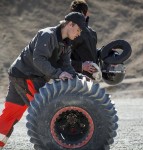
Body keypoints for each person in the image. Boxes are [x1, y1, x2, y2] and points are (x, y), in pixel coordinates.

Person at [0, 12, 86, 149]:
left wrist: (77, 77)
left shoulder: (66, 43)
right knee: (45, 112)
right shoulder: (47, 35)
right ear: (70, 24)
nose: (79, 34)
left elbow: (66, 65)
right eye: (78, 30)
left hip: (26, 75)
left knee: (10, 114)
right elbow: (39, 60)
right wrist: (58, 74)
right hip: (25, 76)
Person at [70, 0, 98, 79]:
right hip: (75, 80)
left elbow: (92, 54)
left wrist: (107, 52)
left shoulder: (92, 33)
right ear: (85, 13)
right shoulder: (70, 33)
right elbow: (62, 60)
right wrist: (81, 66)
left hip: (90, 80)